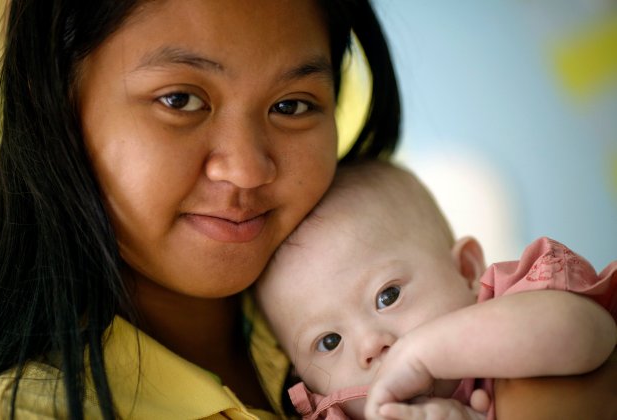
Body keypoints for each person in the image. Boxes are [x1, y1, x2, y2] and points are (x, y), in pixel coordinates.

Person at [0, 1, 401, 419]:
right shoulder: (33, 410)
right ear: (55, 104)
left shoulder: (393, 324)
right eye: (180, 100)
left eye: (290, 106)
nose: (246, 170)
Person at [255, 160, 617, 420]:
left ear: (466, 270)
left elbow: (590, 331)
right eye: (329, 341)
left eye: (388, 296)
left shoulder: (515, 307)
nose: (370, 345)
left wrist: (423, 354)